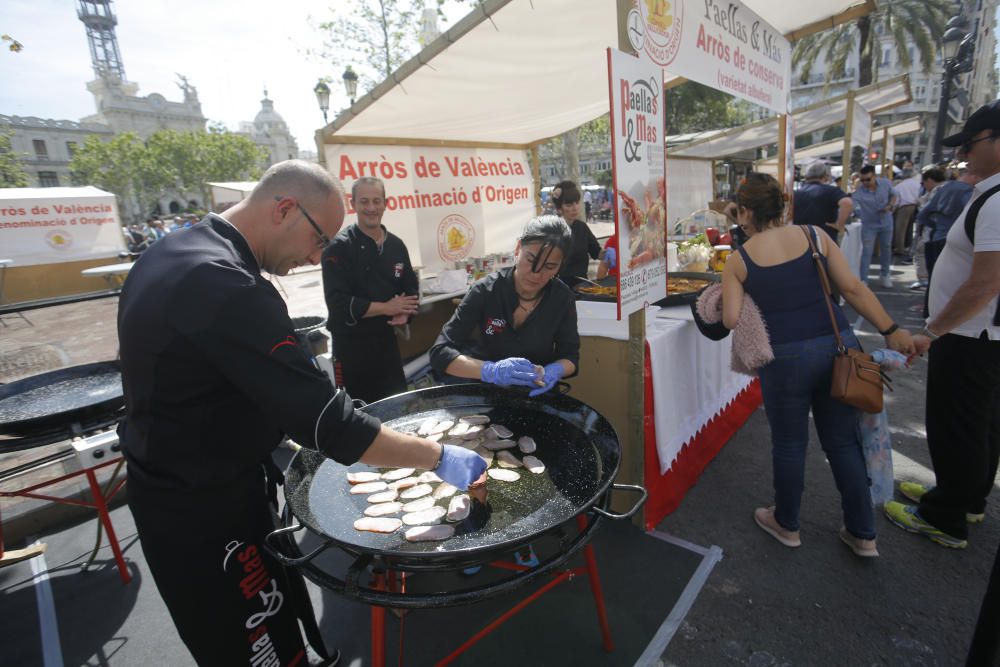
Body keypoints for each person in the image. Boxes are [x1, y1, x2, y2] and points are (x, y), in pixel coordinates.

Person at [117, 160, 486, 666]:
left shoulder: (173, 251)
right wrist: (438, 455)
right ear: (285, 208)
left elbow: (203, 382)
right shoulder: (226, 285)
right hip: (202, 509)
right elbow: (331, 427)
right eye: (319, 241)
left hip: (180, 481)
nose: (317, 258)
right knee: (253, 644)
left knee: (260, 624)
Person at [721, 173, 914, 558]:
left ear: (743, 212)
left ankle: (787, 523)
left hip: (783, 358)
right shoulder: (815, 236)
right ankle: (863, 534)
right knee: (843, 443)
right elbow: (854, 289)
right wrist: (890, 329)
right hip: (836, 347)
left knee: (789, 445)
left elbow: (729, 319)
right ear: (784, 204)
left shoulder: (738, 261)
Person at [884, 101, 1000, 550]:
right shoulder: (987, 193)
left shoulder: (995, 200)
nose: (963, 155)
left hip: (971, 335)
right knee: (981, 423)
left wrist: (933, 331)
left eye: (969, 144)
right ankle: (963, 497)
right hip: (976, 334)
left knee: (959, 425)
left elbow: (985, 282)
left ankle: (945, 515)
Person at [430, 215, 579, 396]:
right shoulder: (485, 291)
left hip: (537, 395)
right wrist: (490, 371)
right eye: (531, 260)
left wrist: (554, 370)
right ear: (518, 249)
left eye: (549, 266)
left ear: (560, 266)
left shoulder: (562, 298)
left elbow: (570, 356)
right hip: (486, 396)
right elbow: (440, 353)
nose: (535, 274)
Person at [321, 177, 419, 403]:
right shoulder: (338, 248)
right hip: (351, 348)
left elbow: (410, 289)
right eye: (364, 202)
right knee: (359, 411)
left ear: (386, 203)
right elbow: (338, 304)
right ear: (352, 204)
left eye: (377, 201)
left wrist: (406, 313)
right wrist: (388, 307)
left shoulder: (396, 245)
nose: (371, 208)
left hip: (386, 344)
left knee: (397, 404)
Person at [852, 164, 898, 288]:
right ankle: (863, 279)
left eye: (868, 179)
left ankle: (885, 274)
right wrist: (859, 213)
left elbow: (894, 195)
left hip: (886, 222)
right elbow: (854, 205)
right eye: (862, 180)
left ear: (874, 176)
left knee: (886, 248)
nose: (865, 182)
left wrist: (889, 206)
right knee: (867, 251)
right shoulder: (859, 191)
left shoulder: (885, 183)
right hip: (869, 224)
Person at [551, 180, 600, 287]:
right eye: (569, 204)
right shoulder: (552, 231)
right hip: (557, 288)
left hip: (582, 286)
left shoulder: (582, 227)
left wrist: (613, 251)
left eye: (576, 202)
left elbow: (596, 252)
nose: (575, 207)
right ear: (559, 209)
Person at [793, 160, 853, 243]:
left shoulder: (796, 193)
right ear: (825, 176)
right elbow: (847, 203)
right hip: (824, 237)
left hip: (801, 236)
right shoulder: (831, 191)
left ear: (806, 176)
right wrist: (839, 225)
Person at [909, 167, 947, 290]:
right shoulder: (946, 189)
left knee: (922, 253)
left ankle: (924, 279)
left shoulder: (937, 191)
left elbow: (927, 210)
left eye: (923, 182)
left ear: (929, 180)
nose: (923, 186)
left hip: (932, 232)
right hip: (938, 231)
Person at [892, 167, 922, 258]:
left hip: (904, 207)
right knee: (910, 228)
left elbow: (896, 199)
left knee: (900, 228)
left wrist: (893, 209)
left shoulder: (900, 185)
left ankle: (899, 248)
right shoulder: (917, 184)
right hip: (915, 205)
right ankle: (908, 246)